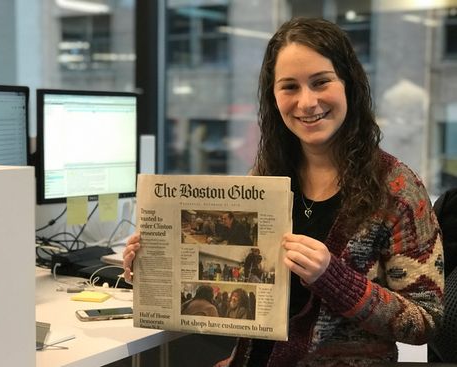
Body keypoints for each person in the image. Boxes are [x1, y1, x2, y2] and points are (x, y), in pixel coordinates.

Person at [124, 17, 444, 366]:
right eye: (289, 87)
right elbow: (246, 297)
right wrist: (155, 266)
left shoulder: (397, 189)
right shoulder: (264, 180)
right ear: (273, 97)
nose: (307, 103)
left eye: (321, 82)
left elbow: (425, 321)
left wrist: (333, 278)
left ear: (349, 84)